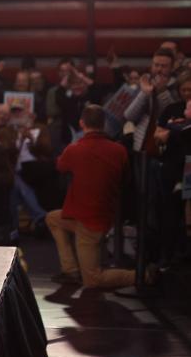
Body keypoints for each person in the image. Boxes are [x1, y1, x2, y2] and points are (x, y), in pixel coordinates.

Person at [46, 105, 140, 288]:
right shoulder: (119, 150)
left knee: (92, 280)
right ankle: (71, 271)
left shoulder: (74, 150)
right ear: (103, 124)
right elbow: (126, 178)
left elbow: (60, 166)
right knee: (52, 218)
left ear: (82, 123)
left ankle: (141, 275)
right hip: (103, 215)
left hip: (88, 223)